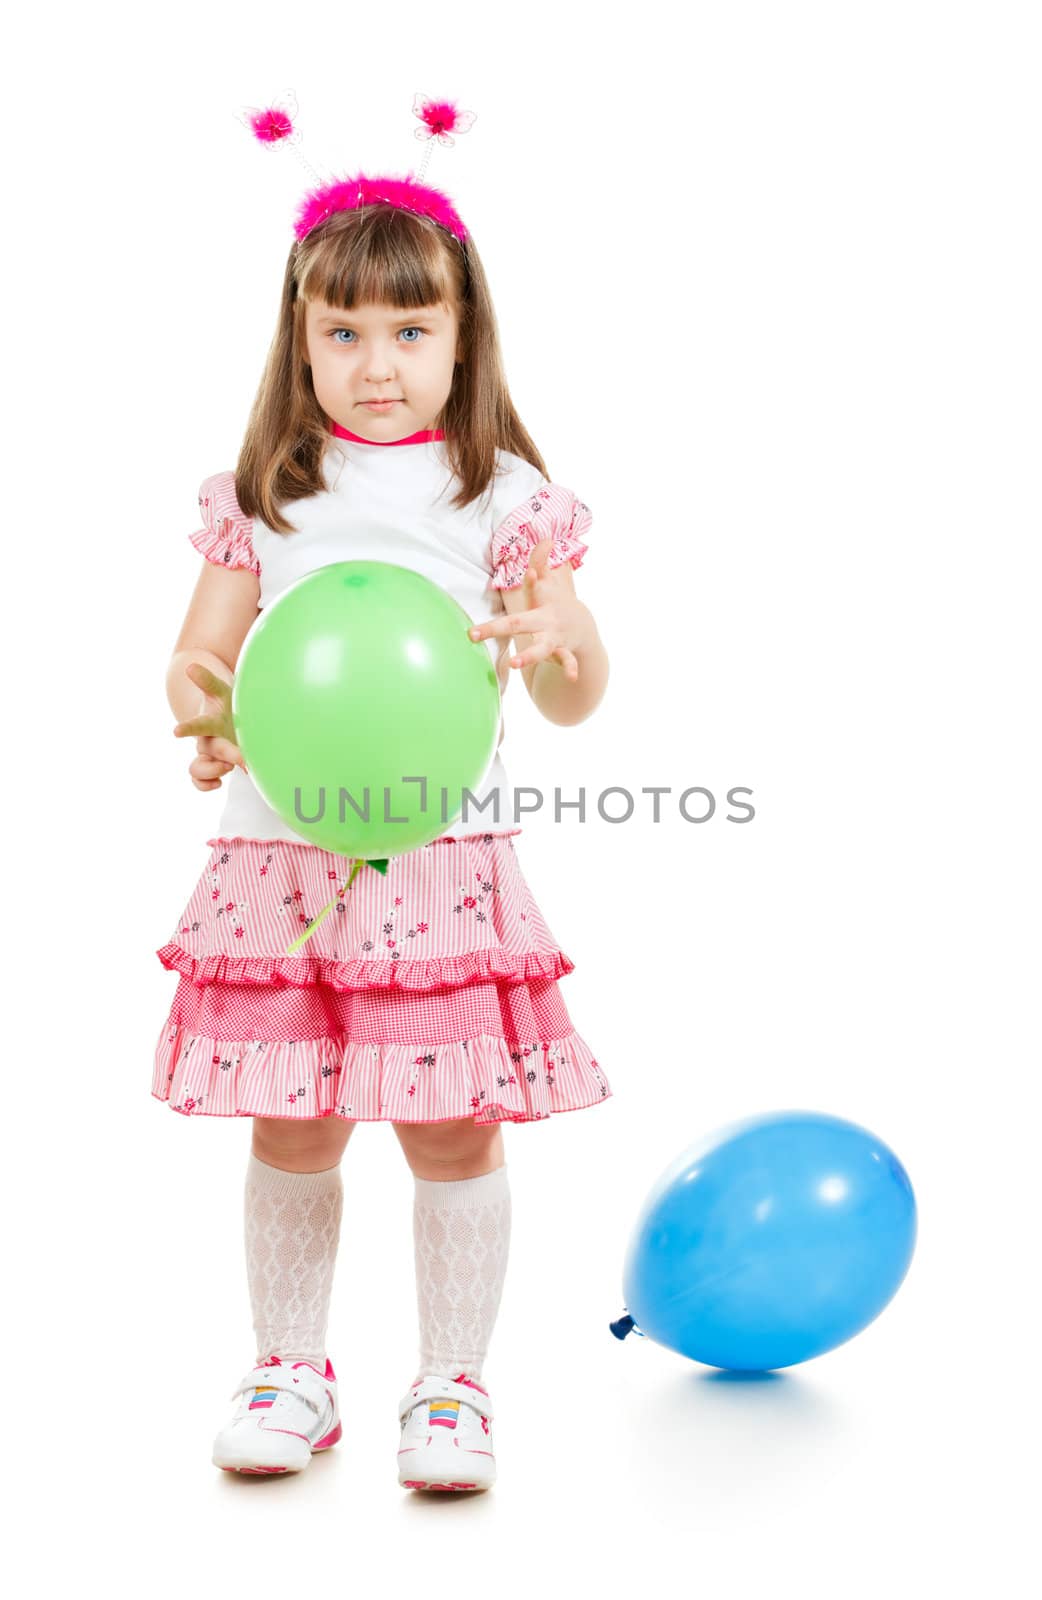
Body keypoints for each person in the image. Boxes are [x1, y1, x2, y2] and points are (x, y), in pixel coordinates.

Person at [155, 122, 611, 1491]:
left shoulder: (501, 500)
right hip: (281, 858)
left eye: (409, 331)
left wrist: (560, 636)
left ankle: (451, 1388)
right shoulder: (266, 494)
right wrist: (203, 714)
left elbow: (578, 692)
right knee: (291, 1119)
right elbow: (199, 656)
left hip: (440, 862)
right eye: (341, 331)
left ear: (463, 341)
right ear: (299, 341)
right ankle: (291, 1370)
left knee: (450, 1126)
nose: (374, 363)